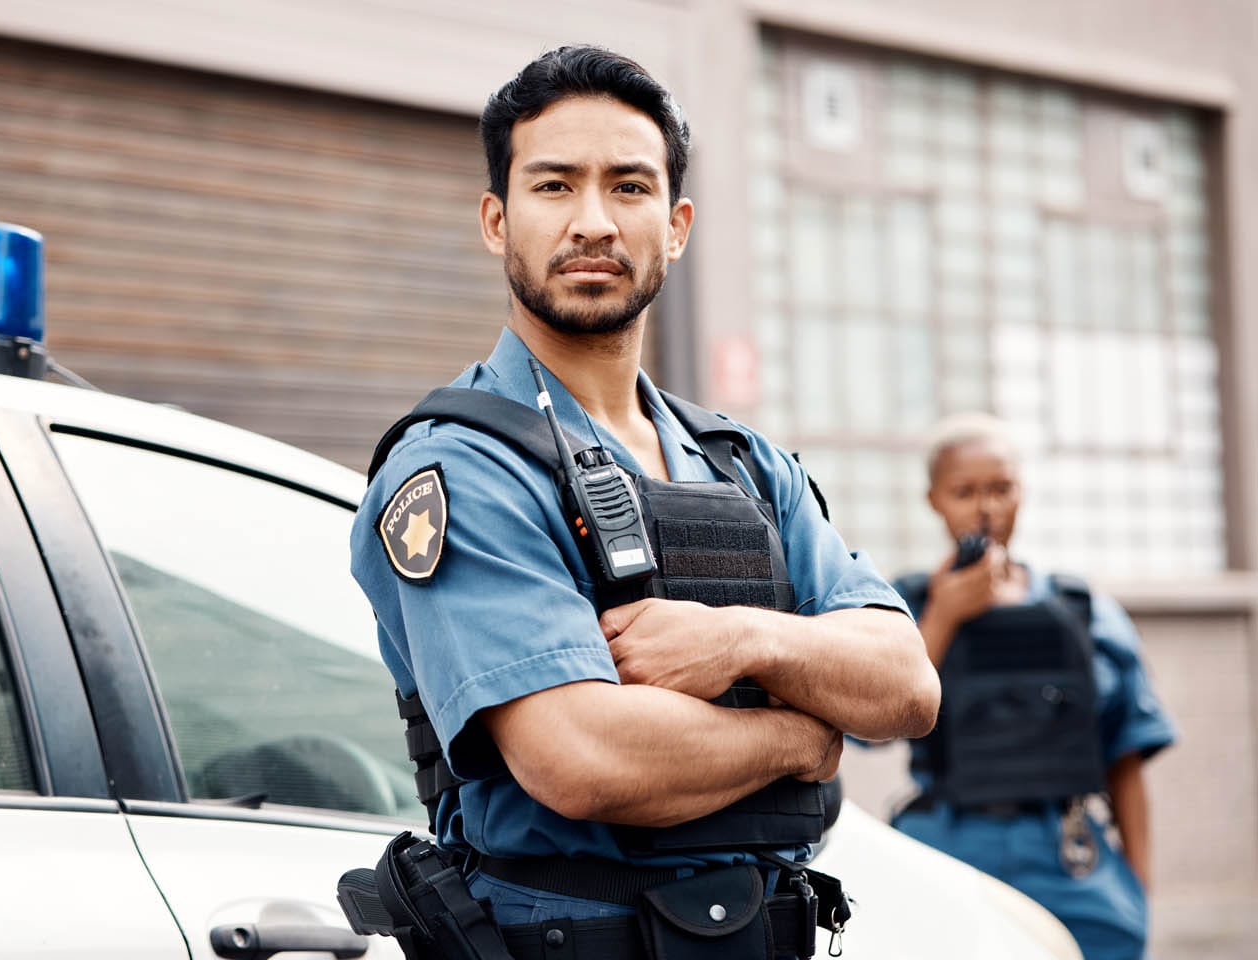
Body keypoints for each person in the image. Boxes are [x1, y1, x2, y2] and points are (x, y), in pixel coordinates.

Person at [348, 45, 939, 960]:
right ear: (496, 221)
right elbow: (584, 758)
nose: (593, 222)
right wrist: (806, 736)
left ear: (676, 225)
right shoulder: (463, 470)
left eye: (628, 187)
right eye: (553, 188)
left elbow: (904, 685)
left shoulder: (744, 465)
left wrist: (743, 641)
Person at [889, 413, 1176, 960]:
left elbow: (1126, 757)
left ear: (1022, 492)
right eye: (965, 491)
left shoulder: (1081, 611)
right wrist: (943, 619)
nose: (985, 507)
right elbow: (866, 723)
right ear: (934, 500)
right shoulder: (903, 608)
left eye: (1000, 488)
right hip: (948, 844)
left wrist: (1139, 893)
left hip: (1065, 853)